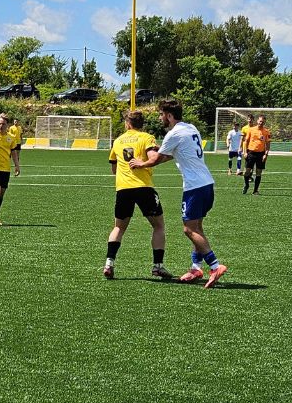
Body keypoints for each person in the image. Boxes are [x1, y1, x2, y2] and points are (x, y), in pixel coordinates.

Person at [130, 99, 227, 289]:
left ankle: (215, 266)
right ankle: (195, 268)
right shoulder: (191, 128)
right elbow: (170, 154)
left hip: (194, 187)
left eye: (161, 115)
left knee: (189, 230)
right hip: (207, 184)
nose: (160, 118)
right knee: (197, 228)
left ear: (169, 115)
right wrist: (158, 154)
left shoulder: (173, 134)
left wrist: (141, 163)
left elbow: (157, 159)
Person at [104, 110, 171, 280]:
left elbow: (114, 169)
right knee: (158, 226)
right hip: (143, 187)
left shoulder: (118, 141)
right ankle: (157, 266)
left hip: (123, 188)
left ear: (128, 124)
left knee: (119, 227)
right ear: (142, 124)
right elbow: (153, 157)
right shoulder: (146, 138)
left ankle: (109, 264)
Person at [242, 114, 271, 195]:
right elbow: (246, 141)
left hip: (261, 154)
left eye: (263, 122)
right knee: (246, 172)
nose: (261, 123)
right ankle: (246, 185)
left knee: (259, 172)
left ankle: (255, 191)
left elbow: (268, 144)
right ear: (257, 121)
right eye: (260, 121)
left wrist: (266, 154)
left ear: (264, 123)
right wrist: (245, 152)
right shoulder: (251, 130)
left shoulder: (266, 132)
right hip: (251, 153)